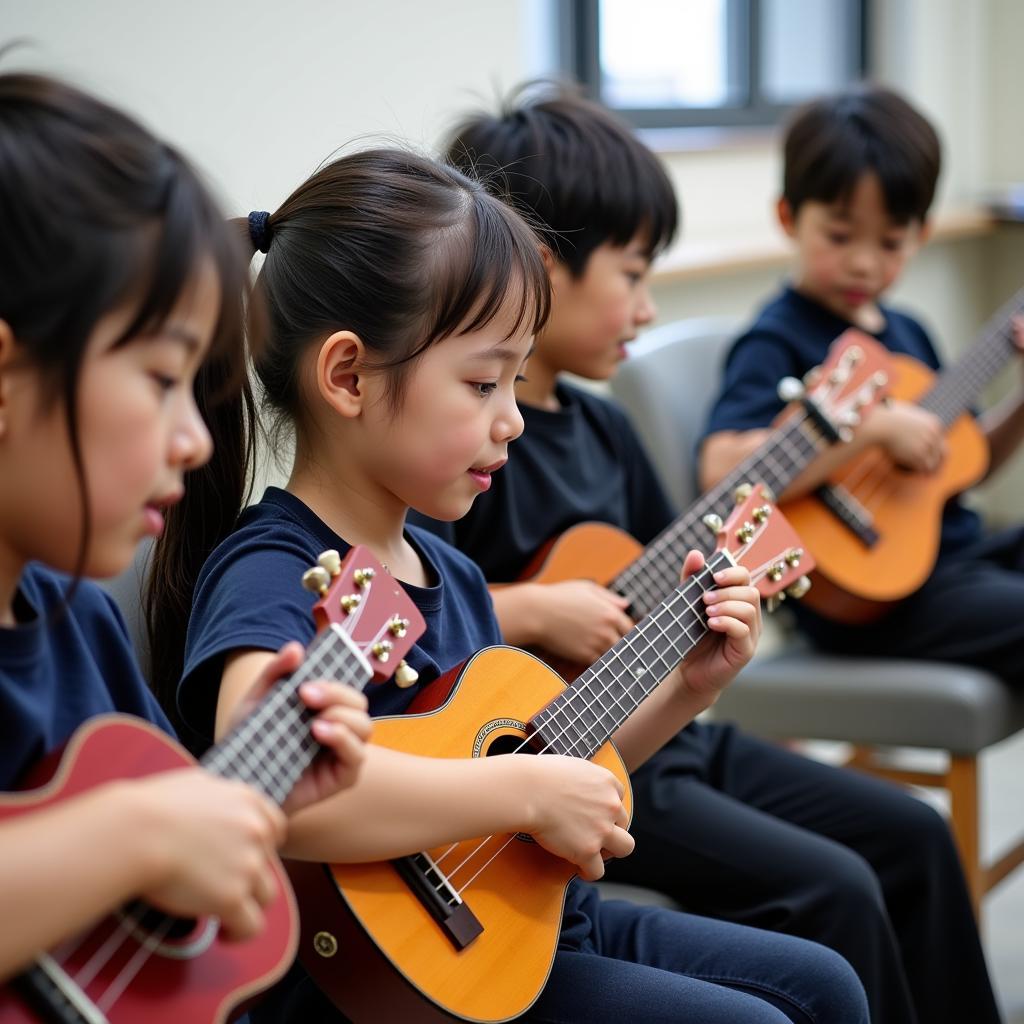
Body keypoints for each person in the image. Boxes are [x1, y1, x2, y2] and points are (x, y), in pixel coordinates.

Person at [148, 146, 870, 1023]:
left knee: (826, 984)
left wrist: (686, 685)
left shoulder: (446, 567)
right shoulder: (274, 568)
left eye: (517, 380)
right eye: (483, 381)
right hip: (391, 989)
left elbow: (552, 770)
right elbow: (279, 796)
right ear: (347, 376)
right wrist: (523, 792)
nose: (513, 417)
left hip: (535, 929)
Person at [410, 83, 1001, 1024]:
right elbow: (423, 621)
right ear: (541, 266)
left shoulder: (603, 430)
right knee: (838, 887)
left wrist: (727, 582)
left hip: (667, 729)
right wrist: (533, 609)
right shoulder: (467, 450)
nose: (647, 308)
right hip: (579, 760)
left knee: (914, 834)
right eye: (633, 275)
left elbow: (669, 564)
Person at [0, 71, 373, 993]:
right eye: (163, 379)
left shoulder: (75, 621)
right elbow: (138, 836)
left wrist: (257, 791)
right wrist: (136, 836)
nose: (198, 438)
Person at [701, 85, 1024, 694]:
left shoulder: (909, 333)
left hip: (954, 561)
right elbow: (720, 471)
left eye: (890, 243)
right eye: (841, 236)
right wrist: (868, 429)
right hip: (867, 599)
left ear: (920, 235)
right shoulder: (776, 338)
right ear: (789, 218)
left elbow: (964, 463)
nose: (864, 265)